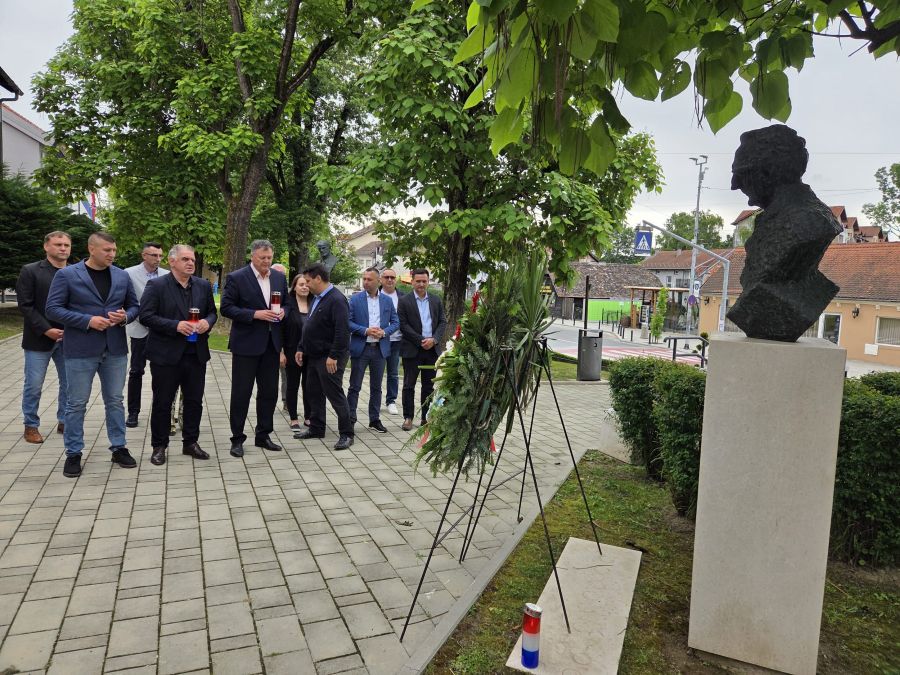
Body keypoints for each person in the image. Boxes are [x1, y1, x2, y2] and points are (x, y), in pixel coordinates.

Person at [46, 232, 140, 478]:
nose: (112, 254)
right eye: (107, 250)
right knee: (76, 403)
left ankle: (119, 447)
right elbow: (52, 309)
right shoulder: (67, 275)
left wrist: (125, 317)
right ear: (91, 249)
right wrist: (87, 321)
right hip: (80, 349)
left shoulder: (121, 275)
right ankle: (73, 452)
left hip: (115, 348)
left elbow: (134, 306)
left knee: (115, 400)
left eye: (114, 250)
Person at [138, 245, 217, 466]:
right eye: (185, 259)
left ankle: (190, 442)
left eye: (192, 260)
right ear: (172, 262)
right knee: (163, 402)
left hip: (196, 354)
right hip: (166, 355)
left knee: (194, 401)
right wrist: (176, 326)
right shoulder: (157, 285)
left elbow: (212, 312)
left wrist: (207, 322)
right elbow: (145, 316)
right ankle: (159, 446)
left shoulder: (202, 285)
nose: (190, 263)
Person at [220, 239, 289, 458]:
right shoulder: (237, 277)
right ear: (253, 256)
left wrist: (284, 311)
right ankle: (237, 438)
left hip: (271, 344)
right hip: (246, 344)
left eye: (269, 257)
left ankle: (263, 435)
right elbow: (226, 308)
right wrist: (255, 314)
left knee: (269, 392)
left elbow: (288, 304)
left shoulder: (279, 277)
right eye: (262, 258)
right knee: (241, 393)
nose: (266, 262)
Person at [16, 231, 71, 444]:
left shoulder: (75, 272)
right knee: (34, 385)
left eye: (66, 245)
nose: (63, 248)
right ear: (46, 246)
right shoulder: (31, 271)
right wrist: (47, 329)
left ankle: (64, 421)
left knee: (69, 383)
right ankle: (30, 425)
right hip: (38, 338)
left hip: (68, 338)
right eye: (58, 244)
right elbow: (26, 305)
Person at [295, 263, 353, 450]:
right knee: (313, 392)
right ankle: (317, 428)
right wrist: (301, 347)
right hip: (313, 355)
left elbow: (342, 331)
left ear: (318, 279)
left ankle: (347, 434)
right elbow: (309, 325)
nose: (306, 285)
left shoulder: (337, 299)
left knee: (335, 394)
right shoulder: (318, 298)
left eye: (308, 281)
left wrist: (333, 355)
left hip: (329, 357)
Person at [347, 267, 399, 433]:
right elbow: (348, 322)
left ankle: (374, 419)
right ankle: (350, 419)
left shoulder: (387, 301)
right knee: (354, 386)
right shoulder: (355, 299)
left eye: (369, 279)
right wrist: (365, 331)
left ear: (378, 281)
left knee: (376, 388)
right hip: (361, 349)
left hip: (379, 349)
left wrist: (384, 332)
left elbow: (396, 322)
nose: (366, 282)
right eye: (364, 279)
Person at [124, 242, 169, 428]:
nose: (158, 259)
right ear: (144, 255)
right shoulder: (128, 273)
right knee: (136, 371)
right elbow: (127, 302)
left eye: (160, 256)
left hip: (161, 330)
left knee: (163, 373)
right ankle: (133, 412)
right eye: (153, 255)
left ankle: (162, 411)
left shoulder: (167, 274)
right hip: (139, 329)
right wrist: (141, 319)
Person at [398, 268, 447, 431]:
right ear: (412, 281)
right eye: (418, 281)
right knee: (409, 385)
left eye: (424, 281)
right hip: (412, 349)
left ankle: (426, 418)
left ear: (428, 281)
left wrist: (434, 339)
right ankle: (408, 418)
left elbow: (442, 322)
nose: (421, 284)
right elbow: (403, 325)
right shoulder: (404, 301)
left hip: (432, 350)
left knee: (428, 386)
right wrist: (420, 340)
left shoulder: (436, 300)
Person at [282, 273, 311, 433]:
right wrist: (281, 352)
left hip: (311, 353)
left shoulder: (315, 303)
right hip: (291, 352)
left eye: (307, 284)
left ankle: (308, 417)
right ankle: (293, 418)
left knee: (309, 386)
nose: (305, 287)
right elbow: (280, 330)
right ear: (294, 287)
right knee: (292, 385)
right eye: (301, 284)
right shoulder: (287, 305)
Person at [379, 268, 404, 415]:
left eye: (392, 277)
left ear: (396, 280)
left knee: (393, 372)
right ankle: (375, 400)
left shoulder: (403, 297)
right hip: (379, 340)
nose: (390, 280)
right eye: (386, 277)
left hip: (396, 340)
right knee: (377, 372)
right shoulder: (375, 295)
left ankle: (391, 401)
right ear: (381, 279)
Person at [271, 262, 289, 411]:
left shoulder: (286, 296)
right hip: (266, 343)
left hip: (283, 343)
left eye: (282, 275)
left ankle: (286, 402)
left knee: (286, 374)